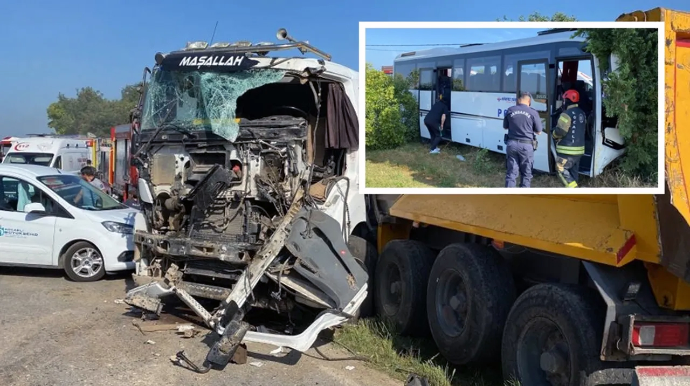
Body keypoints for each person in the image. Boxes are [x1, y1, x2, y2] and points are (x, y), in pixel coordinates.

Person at [503, 92, 543, 188]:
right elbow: (539, 132)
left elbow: (505, 127)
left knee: (511, 173)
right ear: (529, 101)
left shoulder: (510, 110)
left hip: (511, 144)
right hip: (526, 146)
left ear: (518, 100)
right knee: (526, 174)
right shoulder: (533, 112)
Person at [552, 89, 586, 188]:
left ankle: (574, 189)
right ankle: (574, 187)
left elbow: (560, 131)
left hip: (566, 151)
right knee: (573, 172)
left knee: (560, 169)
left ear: (567, 100)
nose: (563, 102)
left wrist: (554, 135)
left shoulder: (566, 114)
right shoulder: (582, 114)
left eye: (564, 100)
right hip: (579, 150)